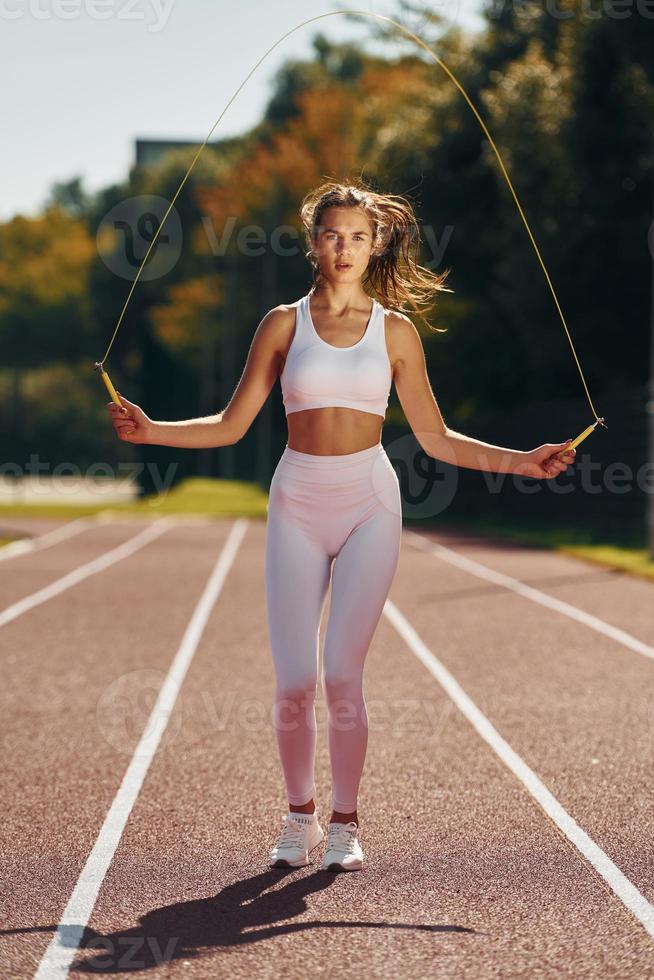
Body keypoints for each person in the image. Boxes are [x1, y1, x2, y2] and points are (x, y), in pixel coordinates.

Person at [107, 180, 576, 873]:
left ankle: (346, 823)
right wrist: (153, 433)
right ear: (314, 242)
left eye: (358, 236)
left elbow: (438, 437)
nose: (345, 248)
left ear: (375, 242)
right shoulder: (281, 324)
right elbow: (231, 425)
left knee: (341, 676)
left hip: (369, 505)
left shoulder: (396, 332)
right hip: (297, 500)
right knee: (295, 679)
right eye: (333, 235)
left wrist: (524, 462)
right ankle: (299, 818)